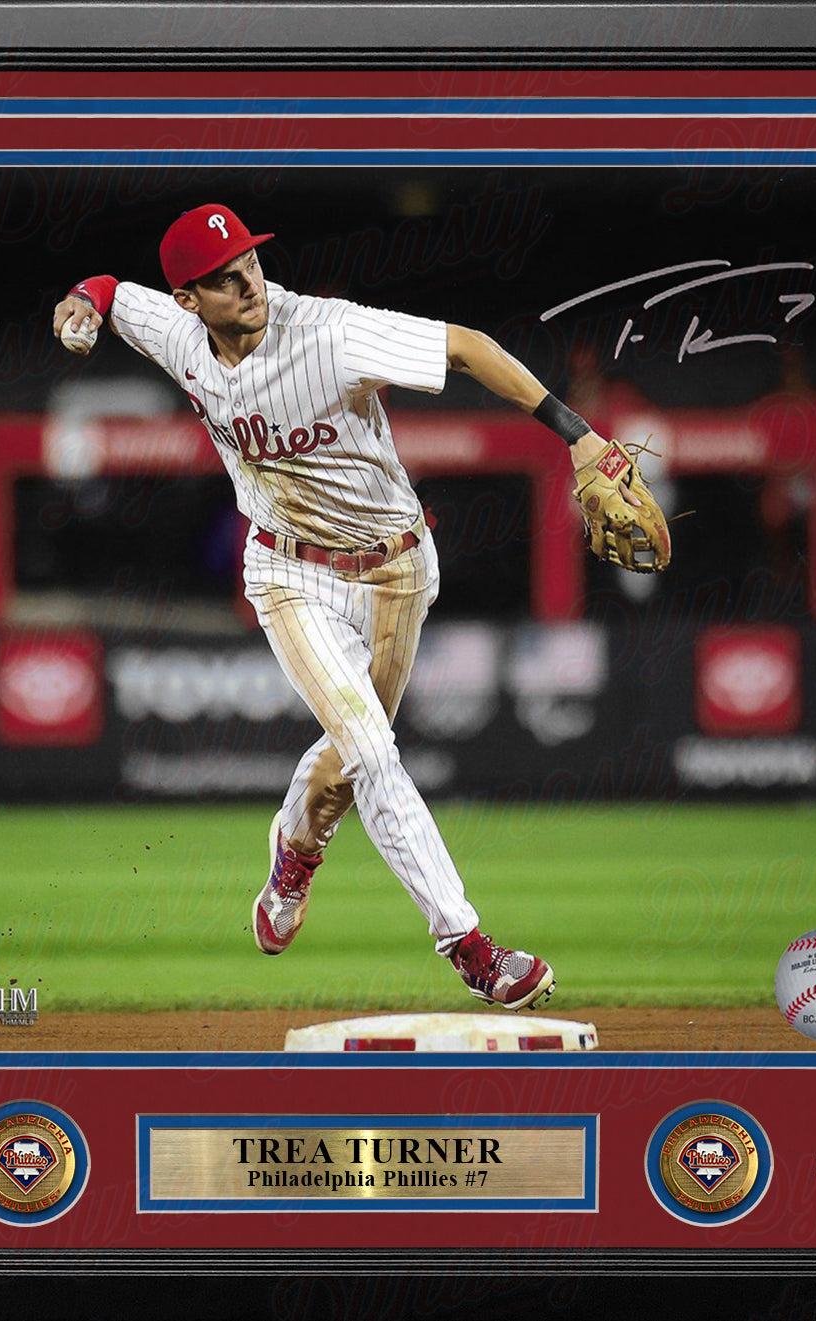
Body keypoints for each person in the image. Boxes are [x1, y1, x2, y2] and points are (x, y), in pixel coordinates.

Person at [52, 203, 649, 1011]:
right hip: (288, 574)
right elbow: (113, 291)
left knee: (349, 760)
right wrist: (81, 301)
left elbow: (467, 346)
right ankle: (470, 946)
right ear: (189, 300)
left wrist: (576, 433)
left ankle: (295, 850)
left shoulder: (329, 333)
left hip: (398, 570)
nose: (247, 283)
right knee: (371, 747)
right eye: (223, 279)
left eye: (250, 262)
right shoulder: (179, 335)